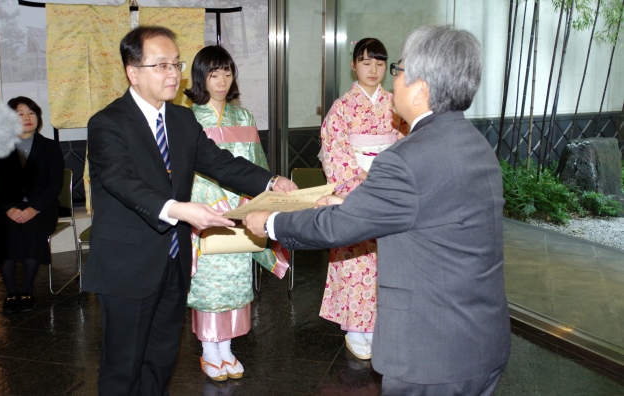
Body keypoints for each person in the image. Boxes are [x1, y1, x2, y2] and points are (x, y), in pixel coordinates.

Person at [243, 25, 511, 395]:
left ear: (420, 87)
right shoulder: (476, 145)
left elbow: (339, 226)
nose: (390, 76)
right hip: (481, 340)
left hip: (430, 356)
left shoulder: (405, 159)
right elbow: (423, 206)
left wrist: (271, 222)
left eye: (397, 68)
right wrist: (359, 199)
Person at [84, 26, 296, 395]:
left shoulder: (182, 120)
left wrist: (272, 181)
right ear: (133, 72)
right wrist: (179, 209)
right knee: (123, 363)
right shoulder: (108, 123)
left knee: (162, 356)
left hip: (174, 261)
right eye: (161, 65)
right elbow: (121, 180)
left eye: (176, 64)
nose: (172, 73)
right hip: (128, 265)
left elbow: (221, 163)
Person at [183, 45, 289, 381]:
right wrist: (209, 204)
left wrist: (260, 202)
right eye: (214, 73)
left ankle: (227, 349)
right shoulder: (186, 119)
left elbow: (255, 165)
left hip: (240, 210)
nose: (222, 80)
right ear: (200, 76)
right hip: (205, 213)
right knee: (208, 285)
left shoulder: (244, 118)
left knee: (237, 283)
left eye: (227, 72)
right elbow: (187, 170)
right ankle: (209, 350)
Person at [318, 38, 408, 360]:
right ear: (353, 65)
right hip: (355, 192)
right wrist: (362, 181)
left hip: (387, 191)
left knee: (386, 261)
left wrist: (388, 179)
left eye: (380, 63)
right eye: (366, 62)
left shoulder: (395, 104)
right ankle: (355, 329)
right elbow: (335, 152)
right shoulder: (341, 108)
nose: (373, 70)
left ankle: (380, 326)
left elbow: (404, 145)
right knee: (355, 260)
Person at [0, 96, 64, 314]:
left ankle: (27, 291)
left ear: (38, 118)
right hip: (9, 209)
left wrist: (34, 209)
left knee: (32, 231)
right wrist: (9, 209)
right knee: (1, 233)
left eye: (31, 113)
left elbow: (54, 184)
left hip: (41, 209)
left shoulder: (50, 147)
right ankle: (11, 292)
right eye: (20, 114)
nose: (27, 118)